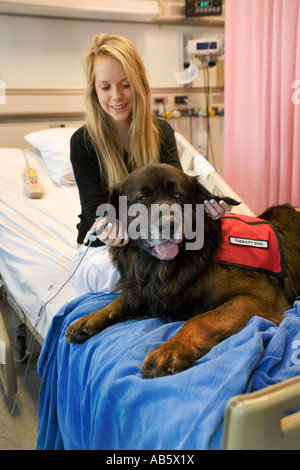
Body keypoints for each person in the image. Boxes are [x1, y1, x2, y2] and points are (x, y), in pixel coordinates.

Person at [70, 33, 229, 295]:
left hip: (161, 237)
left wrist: (205, 209)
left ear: (140, 84)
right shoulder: (83, 142)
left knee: (211, 259)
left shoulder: (161, 132)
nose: (116, 96)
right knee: (117, 276)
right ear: (94, 90)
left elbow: (178, 196)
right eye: (105, 87)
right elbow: (96, 213)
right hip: (104, 249)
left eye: (125, 84)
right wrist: (107, 229)